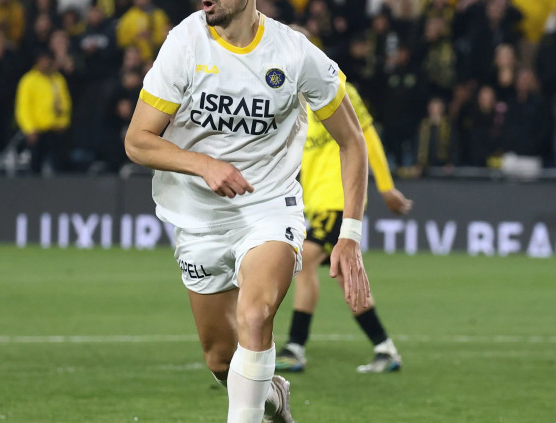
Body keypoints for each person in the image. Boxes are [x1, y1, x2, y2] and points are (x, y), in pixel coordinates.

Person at [125, 1, 371, 421]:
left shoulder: (295, 54)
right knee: (222, 361)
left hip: (268, 208)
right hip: (198, 220)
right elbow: (137, 140)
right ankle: (273, 398)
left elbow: (352, 141)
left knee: (255, 315)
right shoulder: (185, 43)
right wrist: (204, 165)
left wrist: (349, 234)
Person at [276, 37, 412, 372]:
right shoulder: (293, 103)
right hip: (314, 203)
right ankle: (384, 347)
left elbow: (366, 138)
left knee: (304, 260)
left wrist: (386, 187)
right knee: (345, 276)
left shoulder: (337, 90)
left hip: (338, 200)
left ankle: (295, 346)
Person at [14, 50, 71, 174]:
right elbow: (23, 107)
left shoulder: (57, 79)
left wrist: (63, 123)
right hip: (37, 131)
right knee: (35, 167)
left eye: (47, 60)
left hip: (55, 130)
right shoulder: (29, 80)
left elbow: (65, 103)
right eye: (42, 61)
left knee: (60, 167)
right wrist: (29, 129)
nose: (45, 63)